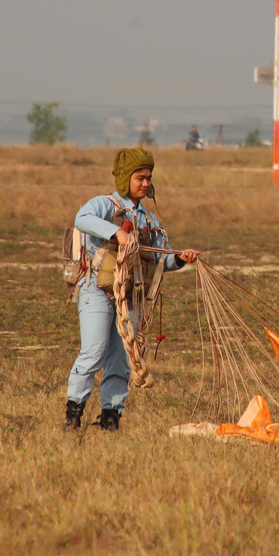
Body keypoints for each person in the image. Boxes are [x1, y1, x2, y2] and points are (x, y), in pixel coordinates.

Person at [66, 147, 199, 431]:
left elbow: (163, 260)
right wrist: (118, 232)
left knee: (123, 357)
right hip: (97, 292)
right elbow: (81, 219)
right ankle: (73, 413)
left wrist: (180, 258)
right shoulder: (104, 204)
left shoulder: (151, 221)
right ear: (126, 177)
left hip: (132, 298)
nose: (146, 183)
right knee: (95, 350)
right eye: (140, 177)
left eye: (149, 178)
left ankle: (111, 417)